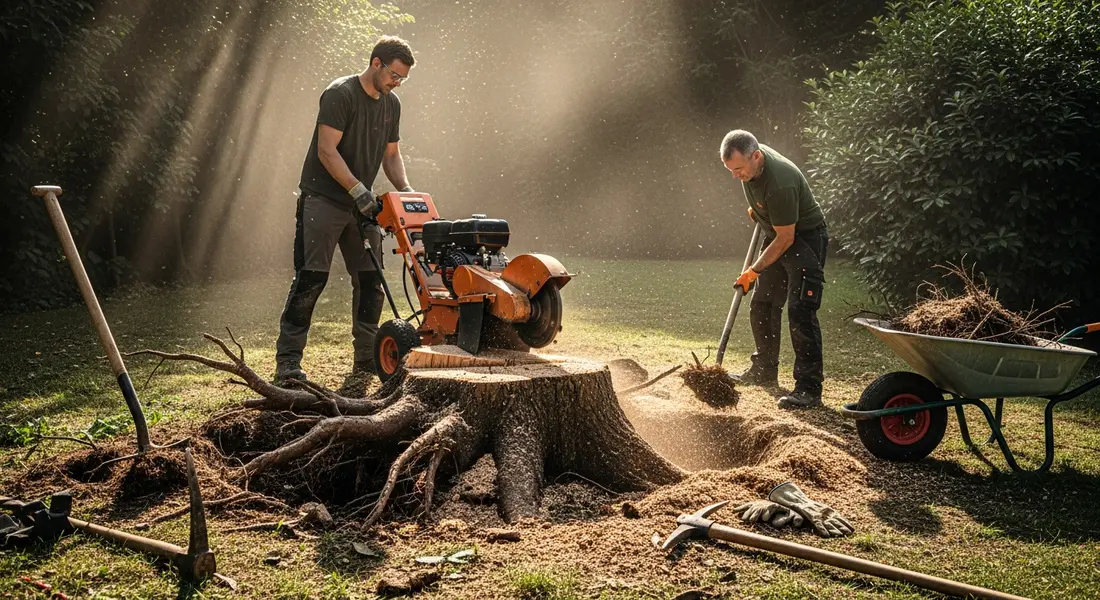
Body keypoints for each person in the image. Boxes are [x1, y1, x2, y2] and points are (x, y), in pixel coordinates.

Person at [274, 35, 415, 388]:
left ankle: (366, 357)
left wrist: (408, 193)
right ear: (376, 63)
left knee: (372, 281)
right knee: (311, 278)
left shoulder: (391, 104)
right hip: (323, 200)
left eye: (403, 79)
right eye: (394, 75)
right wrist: (358, 190)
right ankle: (288, 363)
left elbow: (392, 156)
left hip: (361, 207)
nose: (397, 83)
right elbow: (326, 150)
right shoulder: (341, 93)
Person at [720, 129, 829, 409]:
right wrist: (760, 212)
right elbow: (769, 211)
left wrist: (753, 271)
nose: (735, 176)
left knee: (800, 311)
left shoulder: (780, 182)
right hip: (779, 233)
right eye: (730, 170)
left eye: (739, 169)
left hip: (803, 240)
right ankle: (764, 370)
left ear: (756, 156)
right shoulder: (751, 162)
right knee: (763, 304)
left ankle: (808, 389)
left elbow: (786, 238)